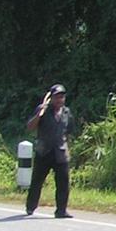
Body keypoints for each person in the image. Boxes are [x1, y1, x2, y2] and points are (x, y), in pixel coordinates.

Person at [25, 83, 76, 219]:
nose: (59, 99)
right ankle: (30, 206)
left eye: (62, 97)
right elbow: (30, 127)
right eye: (57, 97)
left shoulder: (67, 112)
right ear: (51, 98)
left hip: (60, 153)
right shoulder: (42, 110)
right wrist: (39, 114)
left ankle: (61, 210)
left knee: (63, 183)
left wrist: (66, 147)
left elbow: (69, 131)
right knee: (37, 181)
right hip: (44, 152)